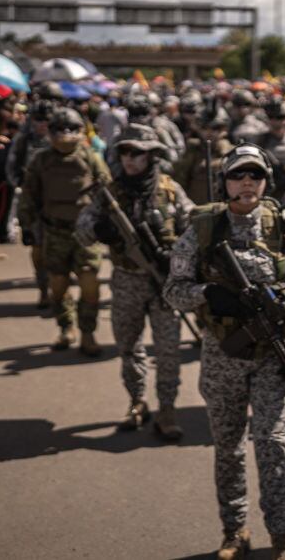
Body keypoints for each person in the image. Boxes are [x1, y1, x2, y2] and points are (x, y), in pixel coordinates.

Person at [163, 144, 285, 560]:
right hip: (223, 356)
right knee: (228, 446)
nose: (247, 182)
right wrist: (209, 293)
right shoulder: (203, 228)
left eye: (255, 175)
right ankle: (234, 531)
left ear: (267, 180)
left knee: (272, 444)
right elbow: (173, 291)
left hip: (275, 354)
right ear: (225, 182)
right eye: (238, 175)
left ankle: (283, 539)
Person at [76, 124, 194, 439]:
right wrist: (101, 229)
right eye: (125, 152)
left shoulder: (170, 190)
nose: (130, 159)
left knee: (168, 350)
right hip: (126, 280)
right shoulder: (110, 194)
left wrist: (176, 258)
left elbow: (194, 231)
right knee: (129, 346)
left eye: (137, 153)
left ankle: (167, 409)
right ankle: (137, 400)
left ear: (152, 155)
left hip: (164, 282)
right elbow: (83, 229)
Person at [18, 107, 110, 355]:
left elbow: (107, 193)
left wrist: (108, 225)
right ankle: (65, 327)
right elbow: (29, 195)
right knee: (57, 284)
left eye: (72, 129)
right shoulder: (41, 160)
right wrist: (27, 226)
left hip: (85, 233)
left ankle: (88, 332)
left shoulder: (91, 157)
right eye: (60, 129)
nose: (66, 135)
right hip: (54, 231)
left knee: (90, 284)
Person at [6, 100, 54, 307]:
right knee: (37, 250)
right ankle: (44, 289)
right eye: (38, 119)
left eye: (46, 120)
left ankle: (58, 292)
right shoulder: (23, 140)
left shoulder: (60, 140)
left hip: (58, 204)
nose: (42, 124)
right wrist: (22, 186)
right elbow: (12, 167)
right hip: (34, 204)